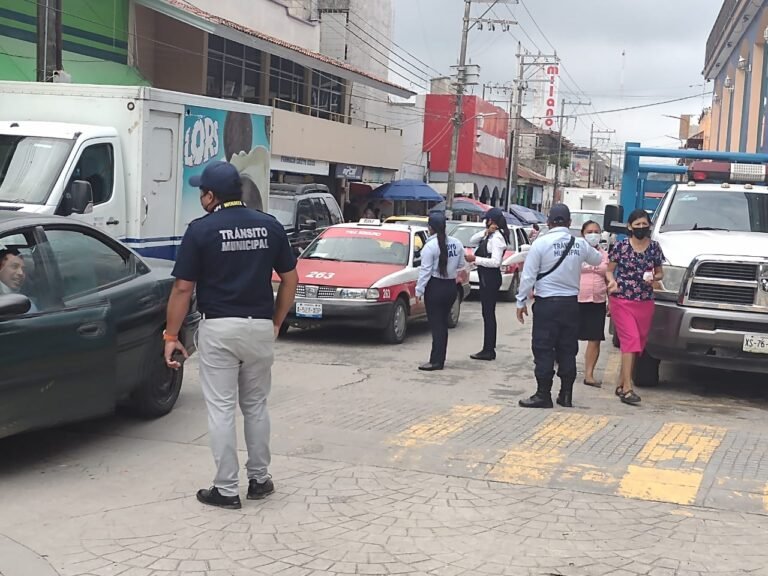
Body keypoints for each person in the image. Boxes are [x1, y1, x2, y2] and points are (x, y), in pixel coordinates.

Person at [164, 161, 299, 510]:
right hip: (259, 327)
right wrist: (277, 322)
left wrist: (171, 335)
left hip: (220, 328)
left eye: (201, 193)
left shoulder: (201, 230)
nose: (200, 198)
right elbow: (290, 279)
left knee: (221, 409)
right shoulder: (269, 226)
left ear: (211, 196)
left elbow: (182, 288)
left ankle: (225, 489)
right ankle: (259, 479)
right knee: (255, 406)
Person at [515, 204, 602, 408]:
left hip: (546, 305)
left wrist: (521, 301)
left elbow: (528, 276)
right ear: (570, 223)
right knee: (567, 349)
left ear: (549, 222)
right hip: (571, 305)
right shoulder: (579, 244)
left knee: (544, 348)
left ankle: (543, 394)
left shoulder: (540, 244)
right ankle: (566, 394)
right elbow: (597, 259)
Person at [606, 209, 664, 406]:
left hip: (645, 300)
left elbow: (660, 273)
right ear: (630, 227)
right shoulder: (621, 247)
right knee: (630, 340)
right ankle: (628, 389)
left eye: (644, 224)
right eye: (637, 224)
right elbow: (609, 271)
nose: (641, 228)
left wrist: (654, 278)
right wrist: (611, 282)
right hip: (622, 299)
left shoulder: (654, 248)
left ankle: (621, 383)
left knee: (637, 343)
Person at [415, 212, 466, 371]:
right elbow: (461, 264)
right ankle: (439, 358)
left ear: (430, 228)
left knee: (436, 325)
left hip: (435, 287)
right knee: (442, 324)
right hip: (450, 287)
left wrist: (419, 291)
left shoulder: (430, 246)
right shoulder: (457, 243)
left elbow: (425, 271)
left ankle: (436, 361)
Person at [465, 207, 510, 361]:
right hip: (486, 275)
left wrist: (476, 260)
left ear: (491, 220)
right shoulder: (491, 235)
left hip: (490, 277)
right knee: (487, 313)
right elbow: (472, 240)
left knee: (489, 314)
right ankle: (488, 348)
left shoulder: (497, 238)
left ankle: (489, 349)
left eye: (487, 219)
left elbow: (496, 262)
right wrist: (486, 232)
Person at [578, 220, 610, 387]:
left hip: (597, 300)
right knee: (568, 337)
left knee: (595, 338)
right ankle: (565, 366)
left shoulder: (605, 255)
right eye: (589, 231)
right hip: (576, 299)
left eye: (596, 231)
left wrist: (611, 300)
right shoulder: (575, 252)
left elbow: (609, 277)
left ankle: (589, 374)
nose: (593, 234)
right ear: (582, 234)